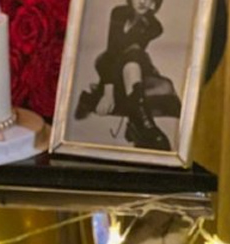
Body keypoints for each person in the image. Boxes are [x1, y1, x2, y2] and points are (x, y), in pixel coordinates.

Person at [74, 0, 181, 151]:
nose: (143, 2)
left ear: (155, 3)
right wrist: (108, 92)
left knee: (166, 86)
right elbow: (113, 51)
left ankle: (102, 103)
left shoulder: (155, 27)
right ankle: (145, 126)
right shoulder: (118, 13)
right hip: (111, 66)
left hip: (136, 67)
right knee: (134, 54)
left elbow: (132, 48)